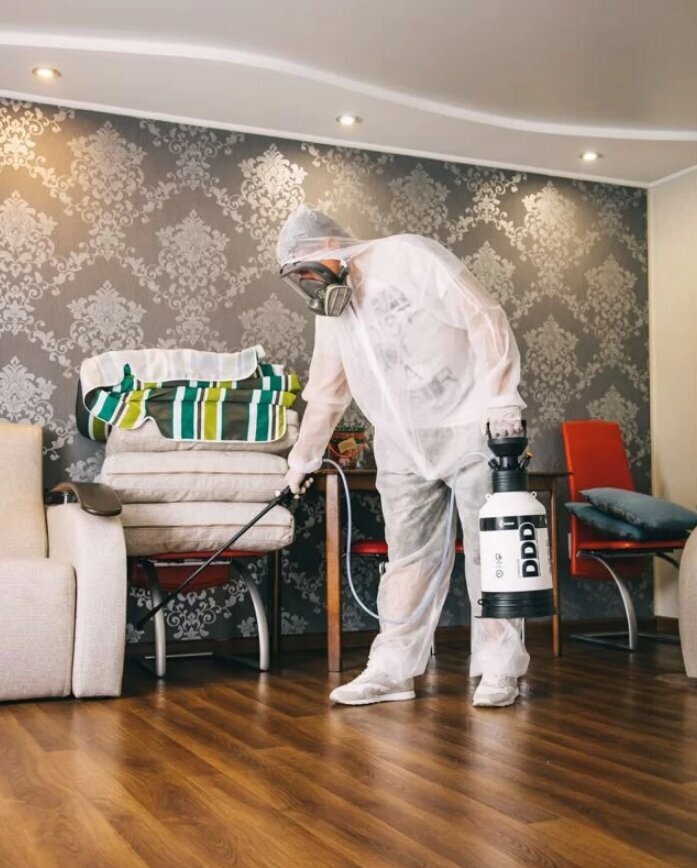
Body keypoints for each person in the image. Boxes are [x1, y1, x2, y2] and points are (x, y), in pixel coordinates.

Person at [276, 205, 529, 708]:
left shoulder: (408, 256)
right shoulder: (335, 309)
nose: (307, 283)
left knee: (492, 551)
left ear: (330, 246)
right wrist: (302, 459)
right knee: (407, 558)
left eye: (305, 269)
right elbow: (328, 388)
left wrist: (503, 396)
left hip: (469, 425)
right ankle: (392, 670)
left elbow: (483, 316)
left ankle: (500, 667)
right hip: (402, 443)